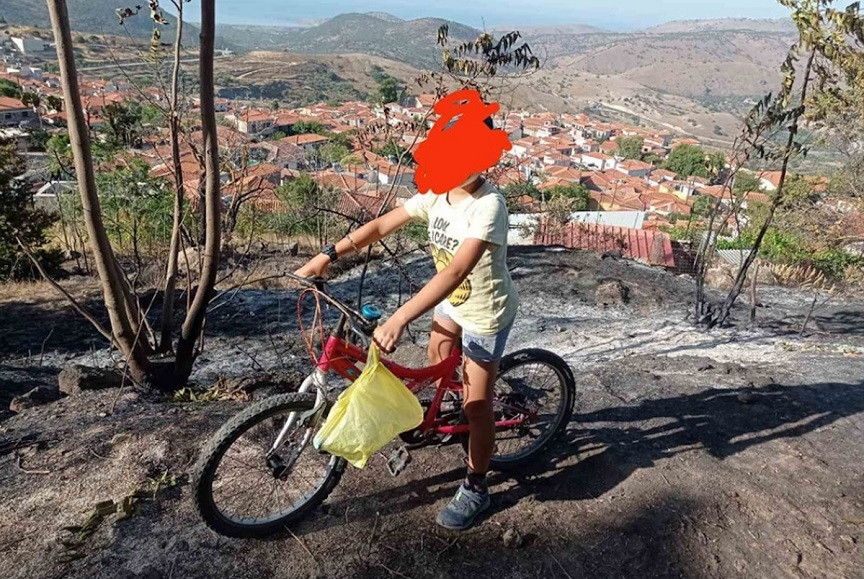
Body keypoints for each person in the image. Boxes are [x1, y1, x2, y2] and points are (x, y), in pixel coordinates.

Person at [295, 168, 518, 531]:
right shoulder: (438, 192)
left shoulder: (488, 205)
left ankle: (476, 487)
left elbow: (456, 271)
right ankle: (450, 413)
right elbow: (382, 225)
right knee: (437, 360)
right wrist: (326, 256)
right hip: (452, 303)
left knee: (477, 406)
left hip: (484, 313)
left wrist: (399, 318)